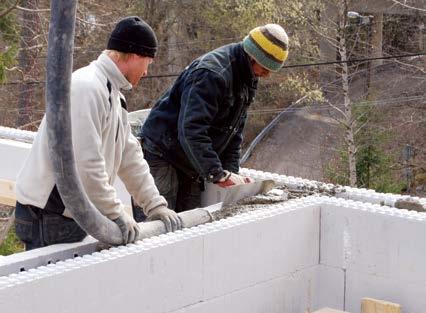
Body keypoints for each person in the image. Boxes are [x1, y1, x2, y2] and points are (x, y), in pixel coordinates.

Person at [14, 16, 181, 250]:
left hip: (69, 211)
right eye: (148, 62)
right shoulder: (88, 88)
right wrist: (115, 213)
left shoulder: (112, 93)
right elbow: (86, 163)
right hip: (49, 213)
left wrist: (155, 205)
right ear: (134, 55)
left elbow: (129, 155)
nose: (146, 72)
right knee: (52, 285)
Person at [140, 24, 289, 212]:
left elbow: (233, 133)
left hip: (190, 159)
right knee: (159, 225)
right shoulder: (211, 74)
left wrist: (232, 175)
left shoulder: (247, 77)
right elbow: (191, 130)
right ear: (253, 56)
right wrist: (217, 173)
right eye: (265, 68)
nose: (267, 75)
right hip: (162, 151)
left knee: (190, 224)